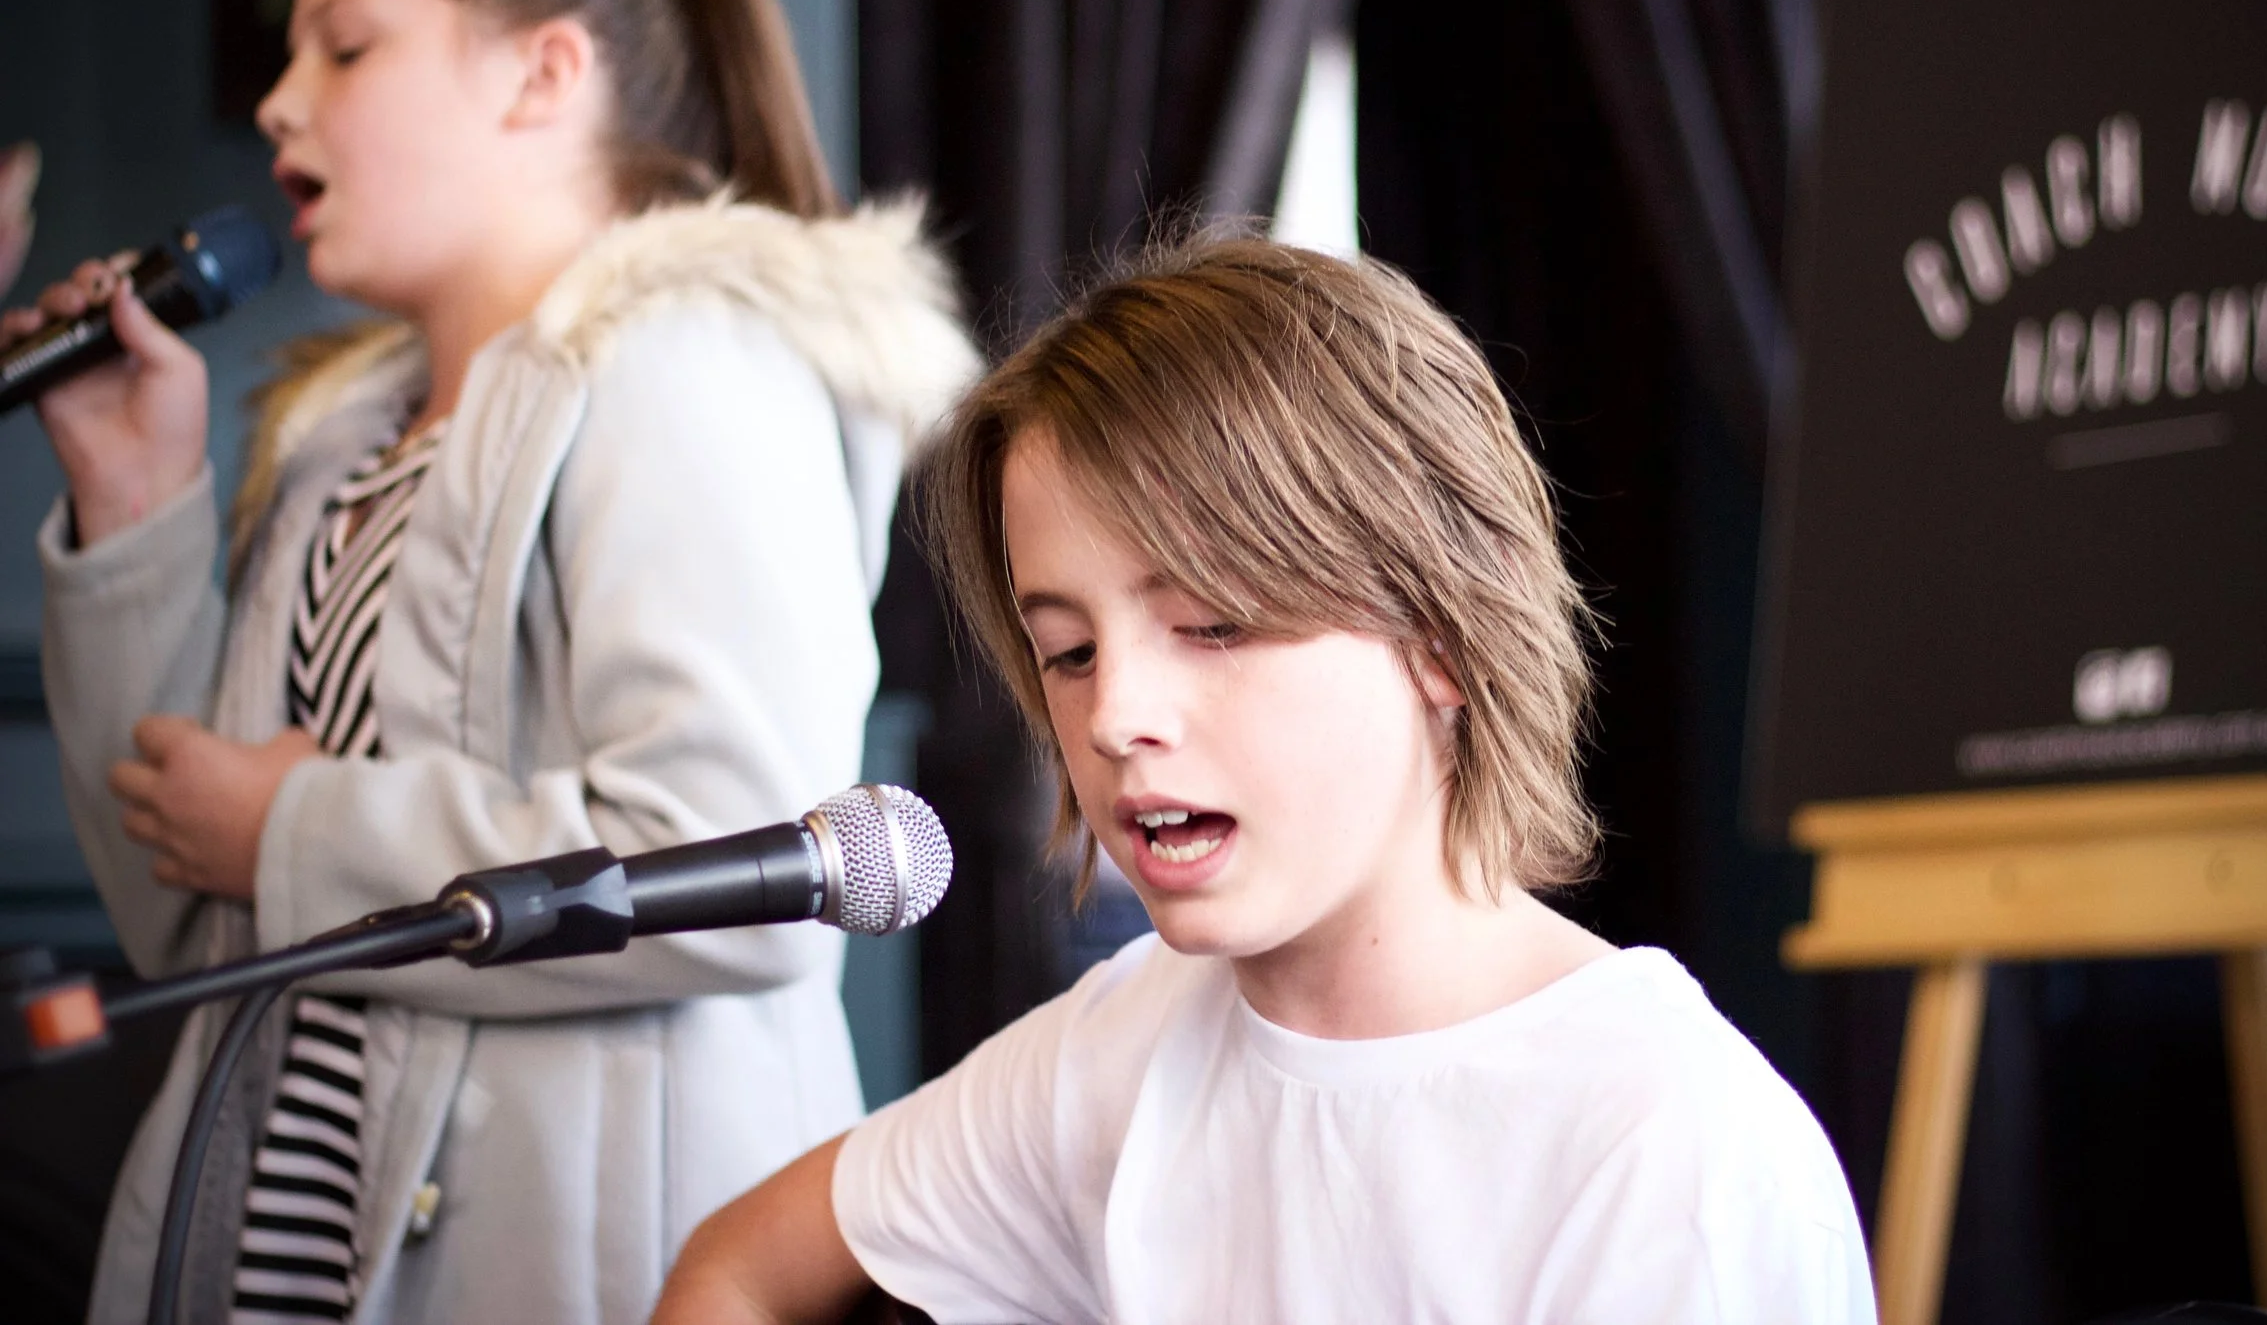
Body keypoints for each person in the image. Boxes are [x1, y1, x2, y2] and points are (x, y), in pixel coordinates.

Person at [8, 0, 980, 1325]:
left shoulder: (685, 359)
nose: (280, 101)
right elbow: (192, 911)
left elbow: (741, 877)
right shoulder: (347, 439)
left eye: (345, 45)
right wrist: (134, 502)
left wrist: (294, 822)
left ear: (543, 74)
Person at [652, 240, 1875, 1324]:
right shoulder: (1122, 1043)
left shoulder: (1675, 1154)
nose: (1114, 715)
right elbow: (736, 1272)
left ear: (1440, 638)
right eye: (1068, 651)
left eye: (1215, 624)